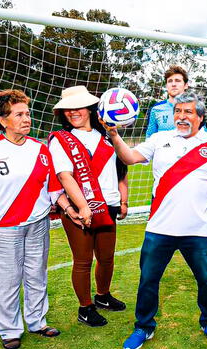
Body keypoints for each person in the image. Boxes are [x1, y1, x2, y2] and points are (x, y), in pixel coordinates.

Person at [105, 91, 207, 349]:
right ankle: (143, 327)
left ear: (200, 117)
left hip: (199, 231)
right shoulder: (159, 138)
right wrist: (114, 134)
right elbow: (129, 158)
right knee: (148, 280)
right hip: (159, 228)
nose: (182, 116)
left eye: (188, 112)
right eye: (178, 111)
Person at [0, 89, 68, 349]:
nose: (27, 119)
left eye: (28, 113)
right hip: (2, 229)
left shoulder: (42, 150)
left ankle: (37, 322)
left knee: (36, 276)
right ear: (3, 120)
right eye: (19, 114)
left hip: (38, 226)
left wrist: (72, 209)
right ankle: (9, 330)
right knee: (6, 282)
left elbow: (54, 191)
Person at [49, 85, 129, 328]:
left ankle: (102, 296)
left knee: (106, 258)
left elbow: (121, 170)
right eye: (67, 109)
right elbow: (65, 176)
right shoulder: (60, 140)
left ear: (90, 108)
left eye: (78, 107)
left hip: (109, 205)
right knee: (83, 260)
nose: (73, 112)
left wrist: (123, 199)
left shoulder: (107, 135)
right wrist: (83, 207)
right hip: (77, 209)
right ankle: (85, 308)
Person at [145, 65, 189, 138]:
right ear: (166, 86)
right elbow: (149, 138)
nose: (173, 84)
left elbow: (203, 139)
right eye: (170, 81)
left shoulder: (196, 109)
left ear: (186, 85)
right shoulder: (156, 110)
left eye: (177, 81)